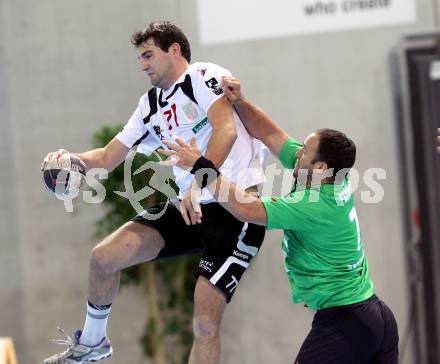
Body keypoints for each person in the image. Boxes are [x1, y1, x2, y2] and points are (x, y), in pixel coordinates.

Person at [42, 22, 266, 364]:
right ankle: (92, 343)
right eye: (139, 58)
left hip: (235, 208)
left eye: (149, 55)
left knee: (205, 324)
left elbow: (226, 131)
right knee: (103, 257)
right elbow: (106, 157)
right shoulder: (149, 105)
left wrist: (197, 183)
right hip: (189, 207)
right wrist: (72, 161)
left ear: (174, 50)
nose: (143, 65)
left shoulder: (204, 76)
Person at [161, 77, 399, 364]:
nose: (297, 154)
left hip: (346, 320)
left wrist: (202, 166)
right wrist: (240, 101)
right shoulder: (325, 177)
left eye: (304, 153)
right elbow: (271, 134)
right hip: (373, 316)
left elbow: (247, 210)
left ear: (321, 167)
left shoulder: (317, 203)